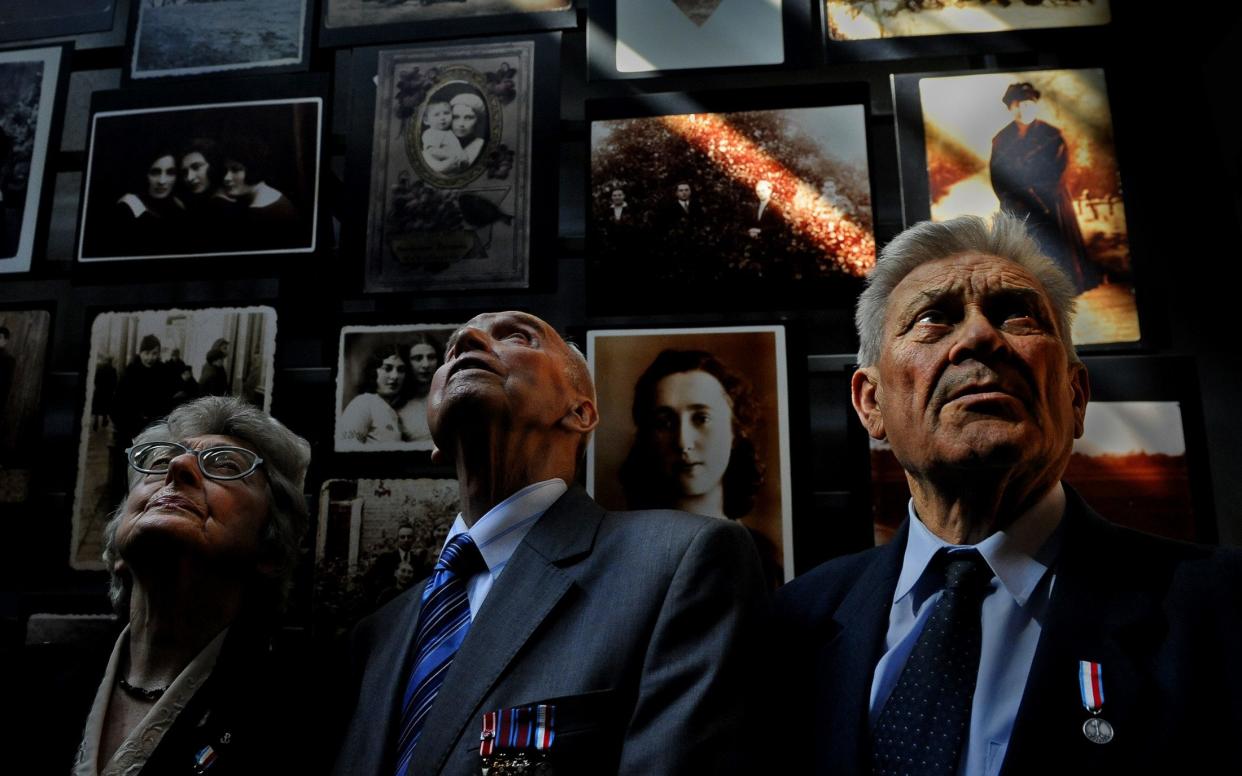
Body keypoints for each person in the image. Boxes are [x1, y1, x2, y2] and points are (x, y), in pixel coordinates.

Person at [772, 213, 1242, 774]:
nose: (979, 338)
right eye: (932, 319)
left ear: (1076, 396)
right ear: (870, 403)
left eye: (1017, 315)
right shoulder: (792, 624)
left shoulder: (1224, 609)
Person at [331, 311, 766, 775]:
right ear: (435, 440)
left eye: (517, 336)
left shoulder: (681, 563)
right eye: (453, 351)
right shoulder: (377, 634)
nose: (468, 339)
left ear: (581, 412)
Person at [74, 396, 314, 775]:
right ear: (117, 551)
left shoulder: (301, 716)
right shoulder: (36, 682)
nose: (177, 466)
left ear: (269, 549)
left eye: (225, 466)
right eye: (157, 462)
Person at [619, 349, 782, 588]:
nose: (683, 443)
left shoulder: (763, 556)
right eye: (664, 423)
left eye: (701, 418)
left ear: (735, 430)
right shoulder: (627, 552)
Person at [989, 81, 1090, 292]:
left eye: (1028, 104)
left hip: (1050, 199)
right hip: (1017, 202)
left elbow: (1058, 169)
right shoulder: (1000, 139)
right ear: (1011, 108)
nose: (1022, 109)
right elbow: (997, 175)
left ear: (1035, 106)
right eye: (1017, 105)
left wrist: (1038, 193)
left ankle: (1064, 286)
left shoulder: (1052, 135)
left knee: (1055, 245)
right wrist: (1011, 197)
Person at [220, 140, 299, 250]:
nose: (226, 178)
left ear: (253, 169)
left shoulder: (261, 214)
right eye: (226, 170)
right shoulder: (272, 195)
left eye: (235, 170)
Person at [105, 150, 185, 256]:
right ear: (145, 173)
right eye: (155, 172)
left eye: (170, 173)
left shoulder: (178, 205)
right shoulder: (128, 207)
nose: (162, 181)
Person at [337, 343, 410, 448]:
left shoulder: (392, 412)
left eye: (401, 370)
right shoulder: (363, 403)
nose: (395, 376)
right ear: (373, 371)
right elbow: (347, 449)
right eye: (388, 368)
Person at [396, 332, 442, 445]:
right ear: (406, 362)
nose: (425, 364)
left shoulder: (450, 395)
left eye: (431, 357)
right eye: (417, 358)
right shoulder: (397, 406)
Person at [420, 100, 464, 173]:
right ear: (426, 120)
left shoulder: (449, 132)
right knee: (425, 154)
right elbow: (432, 151)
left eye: (446, 113)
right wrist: (452, 156)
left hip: (453, 162)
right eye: (437, 115)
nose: (443, 118)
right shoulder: (430, 133)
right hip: (438, 163)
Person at [447, 92, 487, 170]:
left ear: (478, 120)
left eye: (468, 118)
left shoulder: (480, 146)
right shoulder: (440, 142)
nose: (461, 124)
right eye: (455, 117)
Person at [92, 354, 118, 431]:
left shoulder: (99, 369)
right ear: (111, 361)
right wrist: (113, 390)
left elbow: (95, 379)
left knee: (97, 407)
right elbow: (114, 381)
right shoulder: (113, 370)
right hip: (108, 391)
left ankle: (96, 421)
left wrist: (97, 386)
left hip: (99, 390)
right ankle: (104, 420)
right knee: (105, 407)